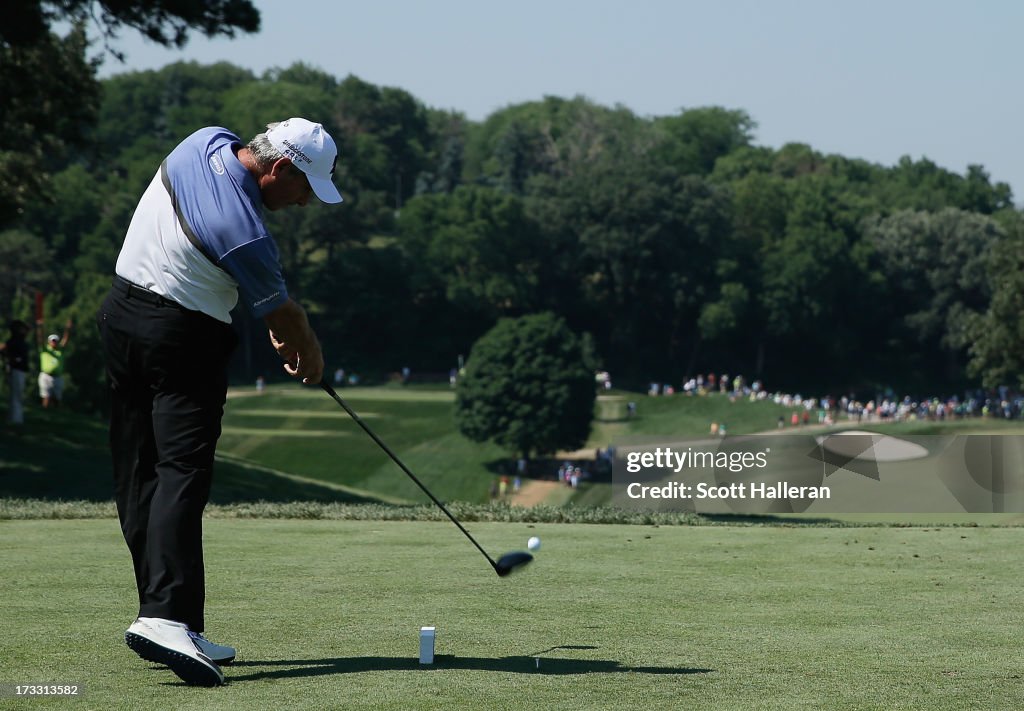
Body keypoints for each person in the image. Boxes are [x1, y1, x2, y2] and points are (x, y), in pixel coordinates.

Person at [96, 118, 342, 687]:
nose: (305, 202)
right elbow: (289, 318)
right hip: (182, 339)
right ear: (280, 168)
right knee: (181, 473)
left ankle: (173, 618)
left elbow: (267, 304)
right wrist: (310, 355)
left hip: (120, 317)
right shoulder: (249, 233)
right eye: (305, 187)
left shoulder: (202, 140)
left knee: (138, 473)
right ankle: (162, 616)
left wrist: (279, 320)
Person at [36, 319, 71, 407]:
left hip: (58, 377)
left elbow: (65, 340)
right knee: (46, 397)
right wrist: (40, 327)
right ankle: (45, 415)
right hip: (46, 376)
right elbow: (40, 338)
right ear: (49, 341)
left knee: (57, 399)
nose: (54, 342)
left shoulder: (60, 350)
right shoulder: (44, 349)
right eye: (52, 340)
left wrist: (67, 329)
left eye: (55, 340)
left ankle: (56, 417)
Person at [2, 320, 30, 425]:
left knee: (17, 395)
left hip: (19, 370)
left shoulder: (18, 340)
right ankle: (15, 419)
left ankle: (15, 418)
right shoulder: (14, 341)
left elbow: (28, 329)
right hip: (15, 369)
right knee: (16, 395)